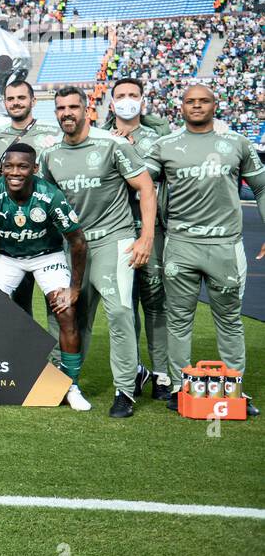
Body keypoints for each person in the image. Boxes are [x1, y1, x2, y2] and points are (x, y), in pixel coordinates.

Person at [144, 84, 265, 413]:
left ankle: (234, 390)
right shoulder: (164, 146)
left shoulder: (237, 144)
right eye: (190, 101)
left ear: (216, 105)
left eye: (203, 101)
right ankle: (181, 390)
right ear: (180, 106)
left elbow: (262, 186)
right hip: (180, 246)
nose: (196, 106)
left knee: (229, 320)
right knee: (178, 320)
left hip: (224, 246)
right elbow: (143, 188)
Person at [40, 86, 157, 418]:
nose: (67, 113)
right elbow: (47, 202)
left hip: (113, 238)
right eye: (61, 108)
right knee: (68, 315)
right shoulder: (50, 155)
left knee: (119, 312)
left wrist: (145, 237)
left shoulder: (112, 145)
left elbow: (146, 187)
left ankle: (125, 391)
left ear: (86, 109)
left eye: (73, 107)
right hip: (72, 246)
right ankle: (65, 383)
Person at [0, 143, 90, 411]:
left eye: (22, 167)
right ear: (2, 168)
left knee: (66, 311)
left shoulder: (50, 196)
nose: (15, 172)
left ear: (34, 169)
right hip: (7, 257)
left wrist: (74, 288)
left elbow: (78, 241)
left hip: (47, 255)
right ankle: (5, 372)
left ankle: (71, 385)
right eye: (9, 166)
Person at [101, 77, 171, 399]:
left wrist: (129, 150)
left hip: (151, 231)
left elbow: (157, 182)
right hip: (116, 232)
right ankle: (136, 370)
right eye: (121, 96)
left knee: (155, 303)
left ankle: (162, 374)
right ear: (111, 103)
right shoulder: (102, 138)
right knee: (124, 306)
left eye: (133, 95)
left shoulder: (159, 139)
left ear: (142, 101)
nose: (127, 100)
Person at [0, 75, 62, 315]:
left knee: (57, 302)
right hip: (11, 231)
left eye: (21, 98)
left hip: (49, 228)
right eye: (11, 99)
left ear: (33, 101)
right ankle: (27, 352)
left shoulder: (54, 133)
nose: (16, 103)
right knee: (18, 303)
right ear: (5, 102)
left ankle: (58, 354)